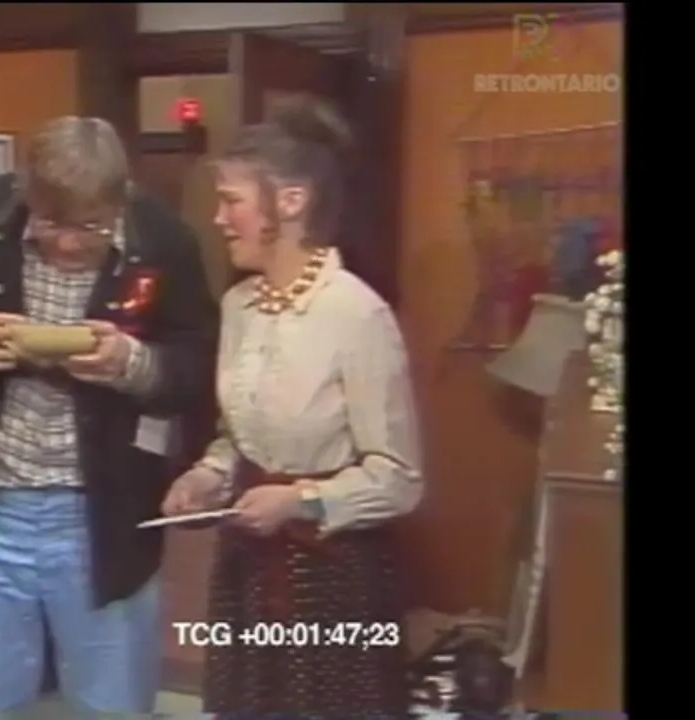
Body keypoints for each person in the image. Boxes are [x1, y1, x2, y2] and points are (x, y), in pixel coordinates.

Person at [0, 115, 218, 717]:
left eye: (90, 227)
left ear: (120, 201)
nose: (68, 243)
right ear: (25, 194)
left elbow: (197, 362)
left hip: (104, 514)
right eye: (49, 223)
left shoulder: (164, 241)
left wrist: (132, 363)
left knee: (113, 703)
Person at [160, 94, 424, 717]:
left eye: (232, 201)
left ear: (292, 201)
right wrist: (208, 474)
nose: (219, 218)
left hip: (331, 577)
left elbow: (400, 479)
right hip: (247, 567)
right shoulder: (239, 307)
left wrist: (300, 501)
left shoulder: (356, 314)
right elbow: (238, 435)